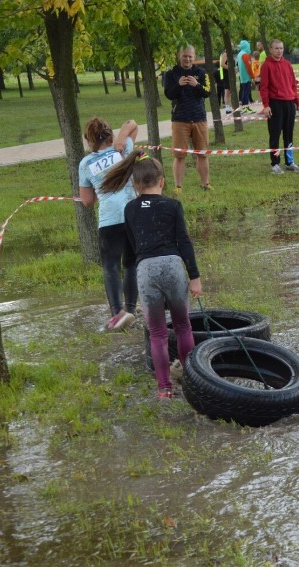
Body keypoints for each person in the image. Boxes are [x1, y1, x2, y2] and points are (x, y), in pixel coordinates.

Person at [101, 150, 203, 399]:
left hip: (146, 270)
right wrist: (194, 277)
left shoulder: (130, 209)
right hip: (173, 266)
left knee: (157, 333)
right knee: (182, 326)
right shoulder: (173, 205)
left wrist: (132, 292)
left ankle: (164, 389)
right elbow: (184, 242)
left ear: (134, 185)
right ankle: (191, 379)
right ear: (162, 181)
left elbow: (132, 250)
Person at [78, 118, 140, 332]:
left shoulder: (85, 164)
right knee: (131, 263)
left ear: (89, 140)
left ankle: (117, 313)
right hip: (133, 213)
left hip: (109, 218)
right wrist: (123, 137)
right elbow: (133, 123)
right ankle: (131, 309)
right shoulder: (125, 148)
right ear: (110, 135)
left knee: (111, 266)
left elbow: (87, 201)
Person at [162, 45, 211, 193]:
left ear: (194, 56)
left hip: (199, 118)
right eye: (185, 56)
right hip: (180, 119)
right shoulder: (171, 74)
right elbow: (169, 94)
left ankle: (205, 183)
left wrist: (197, 85)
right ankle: (178, 186)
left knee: (202, 154)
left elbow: (207, 92)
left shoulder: (201, 72)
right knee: (179, 155)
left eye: (190, 56)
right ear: (179, 56)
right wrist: (178, 85)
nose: (188, 59)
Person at [260, 39, 299, 174]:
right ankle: (275, 164)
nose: (279, 51)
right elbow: (264, 88)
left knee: (288, 134)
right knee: (275, 135)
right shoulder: (266, 65)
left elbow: (293, 86)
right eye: (276, 48)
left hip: (289, 104)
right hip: (275, 104)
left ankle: (289, 162)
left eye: (281, 48)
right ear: (271, 49)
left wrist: (298, 103)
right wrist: (266, 105)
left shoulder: (287, 64)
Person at [236, 40, 256, 111]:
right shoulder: (245, 55)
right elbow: (249, 67)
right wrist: (253, 76)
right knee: (246, 92)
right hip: (247, 77)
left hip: (242, 76)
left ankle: (245, 107)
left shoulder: (239, 54)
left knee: (245, 92)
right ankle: (245, 108)